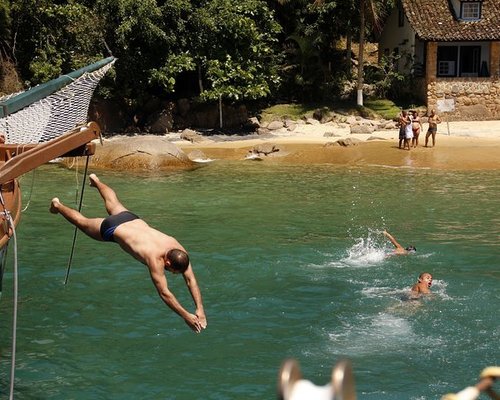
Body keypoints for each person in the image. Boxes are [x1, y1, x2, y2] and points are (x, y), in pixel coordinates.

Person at [50, 174, 207, 333]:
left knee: (113, 202)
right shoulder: (154, 259)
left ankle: (96, 181)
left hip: (130, 219)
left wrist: (200, 309)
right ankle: (57, 205)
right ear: (167, 263)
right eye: (172, 271)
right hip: (112, 229)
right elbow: (165, 293)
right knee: (82, 222)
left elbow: (190, 279)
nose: (173, 274)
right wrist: (185, 315)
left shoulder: (177, 248)